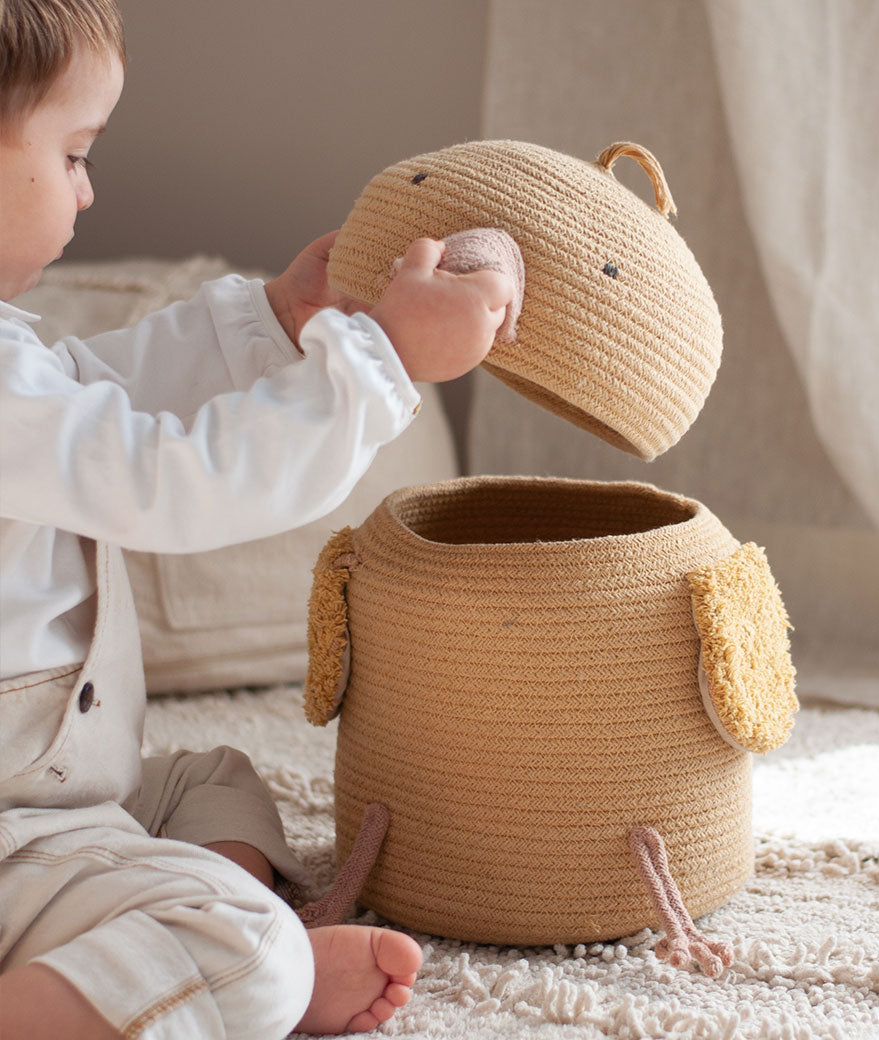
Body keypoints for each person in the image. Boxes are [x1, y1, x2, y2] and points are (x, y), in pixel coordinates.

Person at [0, 1, 514, 1037]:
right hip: (19, 821)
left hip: (49, 787)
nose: (88, 189)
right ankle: (203, 959)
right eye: (74, 154)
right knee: (253, 946)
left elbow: (102, 388)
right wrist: (380, 362)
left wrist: (273, 323)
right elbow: (173, 475)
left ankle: (150, 941)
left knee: (215, 781)